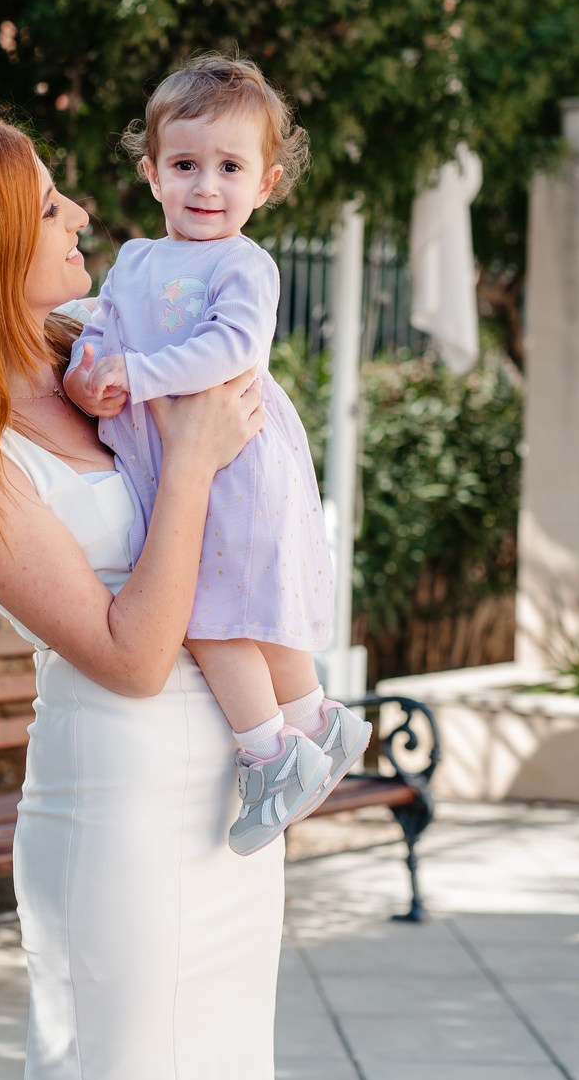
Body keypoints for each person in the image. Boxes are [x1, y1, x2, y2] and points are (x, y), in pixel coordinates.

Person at [0, 117, 278, 1080]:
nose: (80, 214)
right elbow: (129, 658)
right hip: (117, 811)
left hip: (223, 792)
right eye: (46, 206)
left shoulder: (98, 349)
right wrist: (189, 462)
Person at [62, 54, 366, 855]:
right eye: (186, 165)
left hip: (234, 458)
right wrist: (90, 376)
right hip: (176, 456)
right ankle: (316, 725)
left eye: (229, 168)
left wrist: (142, 375)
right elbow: (102, 334)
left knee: (212, 609)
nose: (206, 186)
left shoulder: (245, 265)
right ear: (152, 173)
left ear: (265, 184)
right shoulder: (134, 262)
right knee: (228, 601)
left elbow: (233, 350)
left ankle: (271, 752)